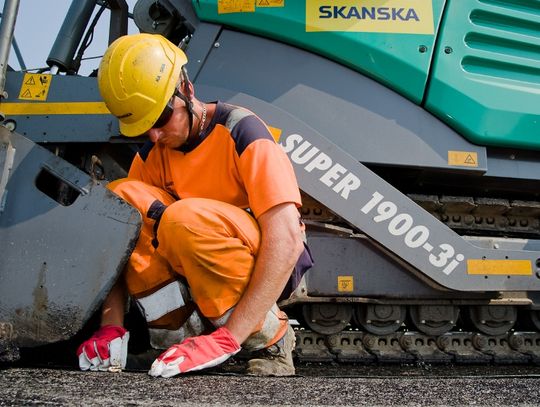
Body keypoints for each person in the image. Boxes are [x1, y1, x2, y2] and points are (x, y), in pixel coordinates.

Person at [76, 33, 310, 378]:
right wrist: (111, 324)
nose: (154, 136)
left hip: (265, 263)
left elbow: (287, 240)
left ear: (185, 89)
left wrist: (228, 337)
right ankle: (173, 341)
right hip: (197, 255)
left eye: (160, 119)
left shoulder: (243, 132)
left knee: (181, 218)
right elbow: (122, 240)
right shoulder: (154, 154)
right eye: (143, 128)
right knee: (123, 198)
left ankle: (269, 339)